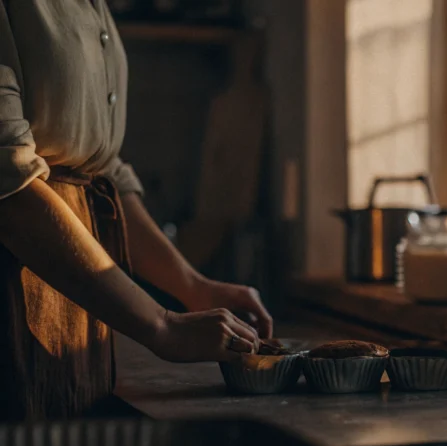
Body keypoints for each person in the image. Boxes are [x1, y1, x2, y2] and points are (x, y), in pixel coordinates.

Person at [0, 0, 273, 420]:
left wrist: (193, 287)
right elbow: (10, 187)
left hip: (76, 309)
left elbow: (102, 172)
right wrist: (161, 324)